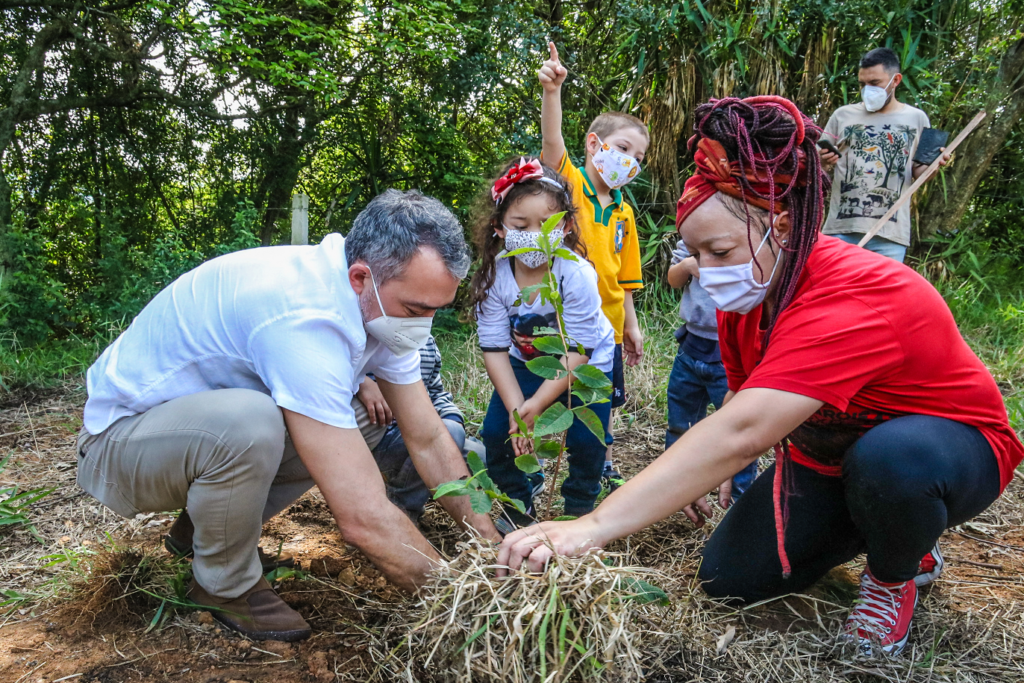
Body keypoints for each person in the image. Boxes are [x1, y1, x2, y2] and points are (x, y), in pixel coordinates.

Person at [499, 96, 1024, 657]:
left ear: (779, 223)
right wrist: (729, 468)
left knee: (891, 462)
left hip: (944, 453)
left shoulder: (861, 293)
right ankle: (880, 523)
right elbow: (742, 397)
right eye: (696, 253)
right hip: (826, 458)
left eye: (720, 249)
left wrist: (595, 526)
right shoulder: (742, 294)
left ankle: (899, 568)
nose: (707, 270)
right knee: (729, 578)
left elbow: (742, 430)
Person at [77, 189, 500, 642]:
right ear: (361, 277)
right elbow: (362, 516)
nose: (424, 324)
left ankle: (200, 531)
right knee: (250, 423)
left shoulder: (379, 306)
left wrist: (490, 545)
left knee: (363, 417)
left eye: (436, 310)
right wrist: (463, 600)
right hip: (119, 446)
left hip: (189, 436)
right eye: (417, 310)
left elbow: (428, 438)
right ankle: (224, 584)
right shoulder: (303, 315)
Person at [471, 158, 616, 532]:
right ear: (500, 228)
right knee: (496, 435)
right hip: (525, 363)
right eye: (521, 225)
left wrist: (537, 405)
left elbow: (580, 348)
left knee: (587, 442)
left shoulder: (576, 273)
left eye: (545, 225)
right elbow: (494, 349)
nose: (534, 235)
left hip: (585, 366)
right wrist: (519, 412)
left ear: (565, 226)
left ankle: (579, 510)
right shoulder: (494, 277)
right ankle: (519, 505)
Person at [538, 42, 648, 490]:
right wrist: (552, 92)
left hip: (607, 329)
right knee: (550, 395)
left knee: (601, 401)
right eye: (624, 148)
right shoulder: (571, 185)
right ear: (594, 144)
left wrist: (631, 327)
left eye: (639, 158)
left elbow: (626, 279)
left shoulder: (625, 211)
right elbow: (551, 143)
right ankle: (542, 467)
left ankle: (595, 463)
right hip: (563, 324)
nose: (631, 162)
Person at [819, 47, 949, 262]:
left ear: (896, 80)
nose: (867, 89)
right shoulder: (842, 115)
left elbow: (920, 172)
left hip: (890, 235)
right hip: (840, 229)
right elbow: (817, 165)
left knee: (882, 296)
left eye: (875, 83)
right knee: (835, 293)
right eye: (862, 84)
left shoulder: (917, 119)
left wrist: (935, 163)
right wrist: (823, 161)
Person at [352, 334, 478, 525]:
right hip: (384, 436)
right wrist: (361, 384)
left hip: (421, 432)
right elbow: (335, 365)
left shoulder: (427, 342)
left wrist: (451, 418)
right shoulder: (369, 336)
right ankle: (401, 508)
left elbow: (436, 392)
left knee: (480, 456)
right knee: (451, 434)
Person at [666, 240, 758, 500]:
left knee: (737, 429)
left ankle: (739, 498)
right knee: (680, 423)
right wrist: (687, 263)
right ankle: (675, 491)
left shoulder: (745, 238)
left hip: (729, 352)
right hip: (690, 345)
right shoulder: (693, 238)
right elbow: (673, 279)